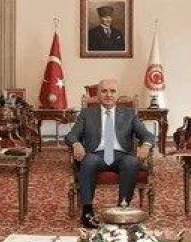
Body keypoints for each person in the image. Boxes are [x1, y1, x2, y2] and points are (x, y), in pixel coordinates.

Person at [65, 78, 155, 228]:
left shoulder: (129, 114)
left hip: (121, 156)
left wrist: (146, 145)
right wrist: (76, 143)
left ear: (117, 94)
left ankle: (122, 209)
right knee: (88, 160)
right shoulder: (87, 114)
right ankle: (87, 211)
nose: (108, 95)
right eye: (104, 91)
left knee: (131, 162)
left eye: (112, 91)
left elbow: (148, 135)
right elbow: (71, 135)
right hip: (96, 155)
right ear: (97, 94)